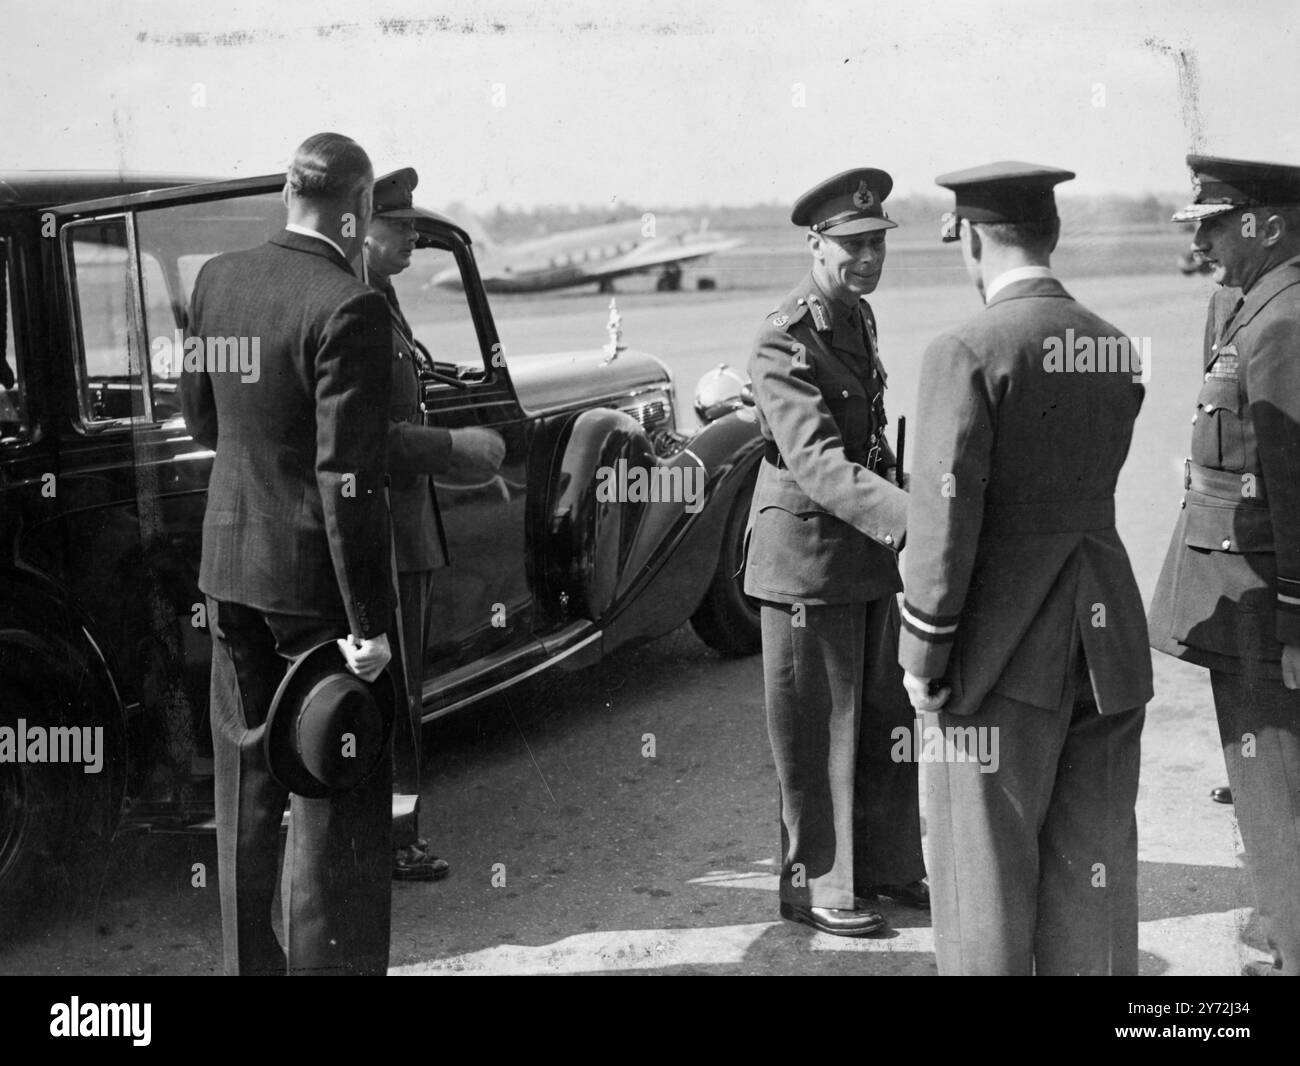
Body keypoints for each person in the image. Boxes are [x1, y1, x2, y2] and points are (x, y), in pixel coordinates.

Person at [898, 161, 1152, 975]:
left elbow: (943, 524)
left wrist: (923, 658)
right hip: (1105, 643)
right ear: (1053, 234)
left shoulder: (965, 349)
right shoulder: (1114, 348)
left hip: (997, 654)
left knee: (985, 898)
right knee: (1094, 884)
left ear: (971, 238)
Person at [181, 132, 396, 976]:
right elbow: (347, 479)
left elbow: (202, 418)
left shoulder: (217, 279)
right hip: (314, 593)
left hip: (229, 571)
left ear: (285, 193)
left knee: (244, 791)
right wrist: (369, 625)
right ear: (356, 212)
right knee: (331, 792)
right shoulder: (348, 304)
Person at [743, 168, 927, 938]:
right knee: (814, 731)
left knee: (883, 719)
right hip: (807, 563)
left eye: (877, 243)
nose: (867, 258)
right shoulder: (782, 336)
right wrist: (916, 519)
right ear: (816, 243)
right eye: (851, 245)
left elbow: (867, 438)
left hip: (863, 552)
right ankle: (820, 885)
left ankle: (885, 867)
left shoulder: (855, 319)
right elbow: (818, 463)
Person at [1148, 154, 1300, 977]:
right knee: (1261, 780)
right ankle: (1280, 921)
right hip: (1237, 590)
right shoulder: (1246, 304)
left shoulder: (1286, 320)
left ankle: (1289, 943)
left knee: (1274, 786)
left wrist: (1295, 621)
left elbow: (1294, 483)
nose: (1201, 237)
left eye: (1215, 222)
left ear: (1268, 226)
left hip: (1263, 598)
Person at [364, 167, 505, 882]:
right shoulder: (355, 302)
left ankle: (395, 830)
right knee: (391, 694)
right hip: (385, 527)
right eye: (400, 226)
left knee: (403, 692)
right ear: (360, 224)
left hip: (404, 524)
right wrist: (457, 448)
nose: (414, 237)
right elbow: (372, 431)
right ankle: (393, 840)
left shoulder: (379, 295)